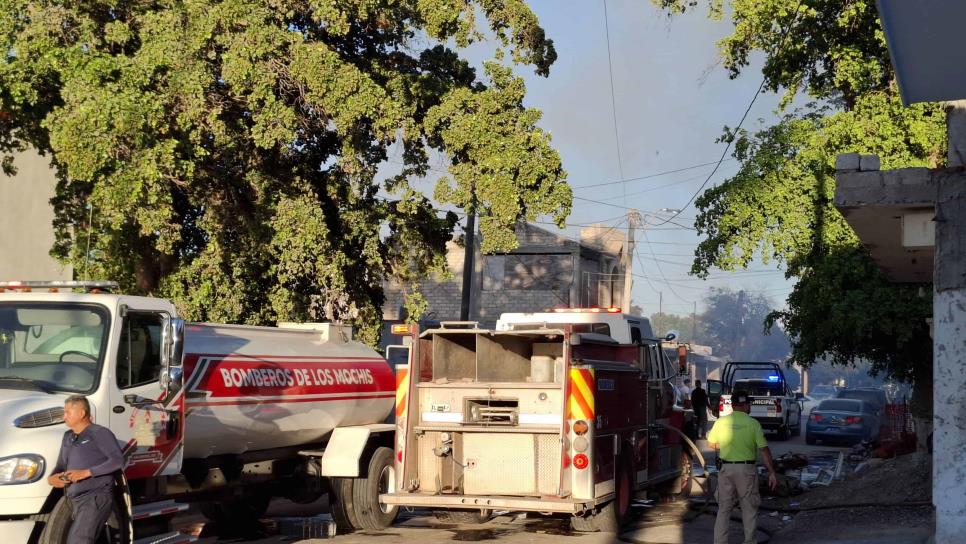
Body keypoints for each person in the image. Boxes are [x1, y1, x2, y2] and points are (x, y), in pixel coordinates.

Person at [47, 395, 125, 544]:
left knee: (78, 541)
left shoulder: (99, 433)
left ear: (82, 413)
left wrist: (86, 473)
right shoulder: (67, 436)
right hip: (73, 500)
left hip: (95, 498)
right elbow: (61, 465)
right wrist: (52, 478)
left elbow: (118, 461)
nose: (64, 416)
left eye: (68, 412)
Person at [707, 393, 778, 544]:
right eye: (749, 404)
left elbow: (711, 444)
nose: (749, 407)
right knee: (749, 508)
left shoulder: (721, 422)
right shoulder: (753, 423)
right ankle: (749, 541)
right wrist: (772, 473)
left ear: (732, 405)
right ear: (745, 405)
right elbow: (764, 450)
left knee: (724, 509)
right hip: (746, 471)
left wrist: (728, 445)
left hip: (726, 469)